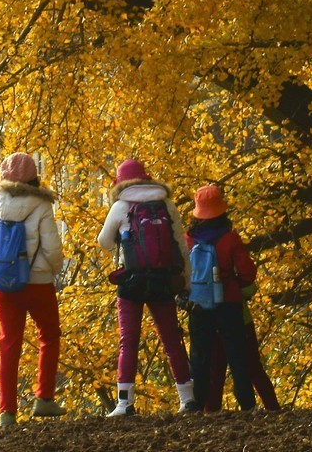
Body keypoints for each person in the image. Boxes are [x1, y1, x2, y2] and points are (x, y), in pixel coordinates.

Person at [97, 158, 195, 416]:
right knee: (172, 339)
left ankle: (124, 403)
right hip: (163, 279)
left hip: (132, 282)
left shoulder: (121, 206)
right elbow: (180, 245)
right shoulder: (166, 204)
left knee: (128, 341)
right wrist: (186, 280)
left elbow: (104, 242)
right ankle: (188, 398)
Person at [0, 152, 66, 426]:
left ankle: (6, 411)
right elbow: (51, 247)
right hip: (38, 283)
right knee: (49, 336)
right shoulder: (41, 206)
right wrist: (52, 270)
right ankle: (44, 399)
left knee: (8, 345)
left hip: (4, 285)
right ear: (33, 177)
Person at [185, 184, 259, 412]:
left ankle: (197, 405)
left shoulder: (188, 239)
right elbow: (247, 272)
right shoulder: (231, 238)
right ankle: (246, 403)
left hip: (198, 304)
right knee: (237, 354)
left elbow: (181, 272)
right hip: (229, 303)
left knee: (200, 357)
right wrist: (237, 284)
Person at [203, 283, 281, 412]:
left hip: (210, 321)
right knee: (252, 366)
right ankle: (271, 408)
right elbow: (249, 287)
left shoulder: (197, 263)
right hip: (239, 318)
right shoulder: (233, 263)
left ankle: (210, 413)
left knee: (214, 371)